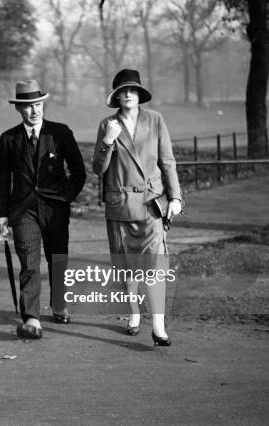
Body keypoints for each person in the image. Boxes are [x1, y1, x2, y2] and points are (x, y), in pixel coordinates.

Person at [92, 69, 182, 346]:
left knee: (154, 267)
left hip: (151, 204)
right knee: (127, 267)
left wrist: (175, 197)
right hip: (120, 207)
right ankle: (133, 314)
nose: (128, 94)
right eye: (123, 90)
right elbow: (98, 169)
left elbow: (168, 161)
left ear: (139, 94)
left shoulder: (155, 120)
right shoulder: (107, 124)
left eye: (133, 90)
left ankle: (158, 326)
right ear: (116, 95)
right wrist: (108, 140)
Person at [0, 79, 87, 339]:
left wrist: (64, 197)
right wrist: (1, 213)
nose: (34, 110)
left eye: (37, 104)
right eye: (27, 106)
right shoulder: (9, 139)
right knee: (29, 263)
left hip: (56, 209)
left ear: (42, 105)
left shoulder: (60, 133)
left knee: (58, 259)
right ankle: (32, 317)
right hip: (23, 211)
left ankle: (59, 303)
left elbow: (79, 172)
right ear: (19, 109)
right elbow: (3, 179)